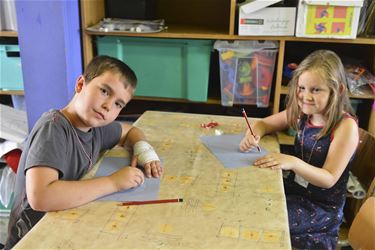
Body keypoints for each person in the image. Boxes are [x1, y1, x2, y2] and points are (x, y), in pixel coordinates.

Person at [4, 55, 163, 249]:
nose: (108, 106)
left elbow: (130, 131)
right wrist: (113, 182)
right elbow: (41, 197)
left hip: (64, 227)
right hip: (33, 239)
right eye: (104, 91)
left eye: (118, 104)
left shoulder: (94, 128)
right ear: (81, 84)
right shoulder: (53, 129)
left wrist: (144, 150)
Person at [239, 50, 358, 249]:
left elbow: (328, 178)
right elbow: (264, 124)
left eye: (316, 90)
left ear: (338, 90)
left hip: (321, 209)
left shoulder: (345, 127)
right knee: (249, 195)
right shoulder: (302, 111)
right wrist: (253, 134)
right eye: (302, 88)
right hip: (296, 190)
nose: (305, 96)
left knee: (260, 216)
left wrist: (293, 162)